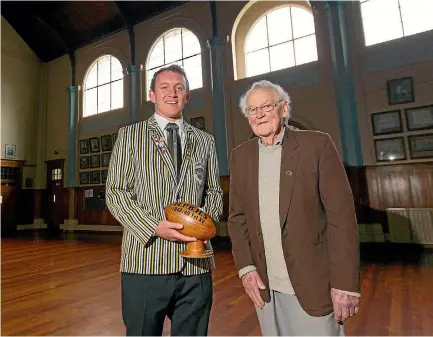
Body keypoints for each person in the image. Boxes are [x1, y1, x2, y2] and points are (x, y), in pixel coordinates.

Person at [227, 80, 360, 336]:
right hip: (265, 287)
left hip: (313, 284)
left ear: (284, 109)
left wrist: (345, 284)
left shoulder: (317, 145)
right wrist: (246, 268)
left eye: (266, 106)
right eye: (252, 110)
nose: (259, 115)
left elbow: (341, 218)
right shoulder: (240, 156)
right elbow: (237, 218)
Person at [106, 64, 223, 336]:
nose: (172, 93)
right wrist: (153, 226)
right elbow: (116, 192)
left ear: (187, 95)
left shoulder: (205, 141)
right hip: (146, 262)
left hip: (196, 266)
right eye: (164, 88)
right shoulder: (130, 136)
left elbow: (214, 192)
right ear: (152, 95)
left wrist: (202, 228)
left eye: (179, 88)